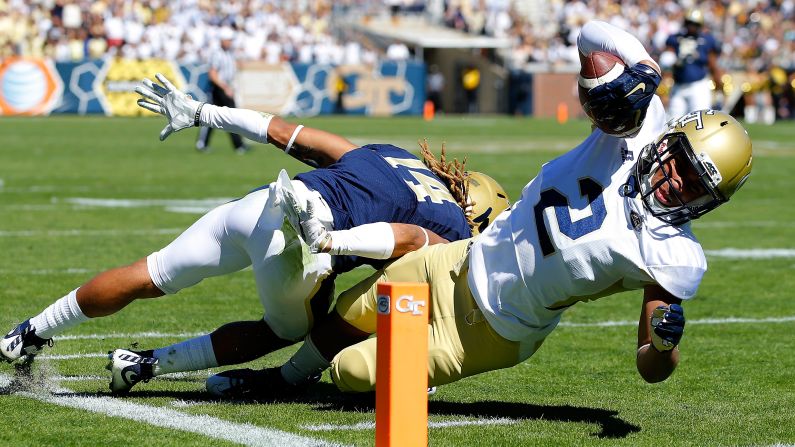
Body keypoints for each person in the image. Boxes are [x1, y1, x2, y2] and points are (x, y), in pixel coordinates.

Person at [213, 20, 753, 398]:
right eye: (681, 161)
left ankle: (328, 381)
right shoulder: (637, 123)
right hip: (462, 259)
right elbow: (592, 37)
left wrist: (663, 345)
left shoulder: (675, 256)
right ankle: (278, 381)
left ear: (711, 202)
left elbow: (650, 368)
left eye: (697, 185)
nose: (678, 181)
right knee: (349, 315)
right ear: (672, 140)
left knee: (352, 371)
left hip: (494, 327)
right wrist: (639, 72)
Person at [0, 74, 511, 396]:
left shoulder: (393, 154)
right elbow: (404, 238)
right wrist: (331, 243)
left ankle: (27, 332)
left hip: (262, 202)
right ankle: (145, 365)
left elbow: (287, 134)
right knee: (288, 330)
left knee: (151, 272)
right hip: (304, 236)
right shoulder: (450, 228)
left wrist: (202, 113)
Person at [662, 9, 724, 120]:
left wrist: (719, 86)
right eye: (689, 23)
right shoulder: (675, 39)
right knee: (673, 121)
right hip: (678, 86)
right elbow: (666, 62)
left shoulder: (706, 40)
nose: (691, 27)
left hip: (698, 86)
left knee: (700, 119)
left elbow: (712, 65)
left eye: (695, 24)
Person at [196, 27, 249, 153]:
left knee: (222, 117)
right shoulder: (217, 54)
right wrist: (225, 87)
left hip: (225, 87)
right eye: (229, 40)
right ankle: (236, 145)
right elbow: (212, 74)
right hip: (219, 89)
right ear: (223, 40)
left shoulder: (229, 53)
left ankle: (237, 145)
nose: (231, 42)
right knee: (222, 116)